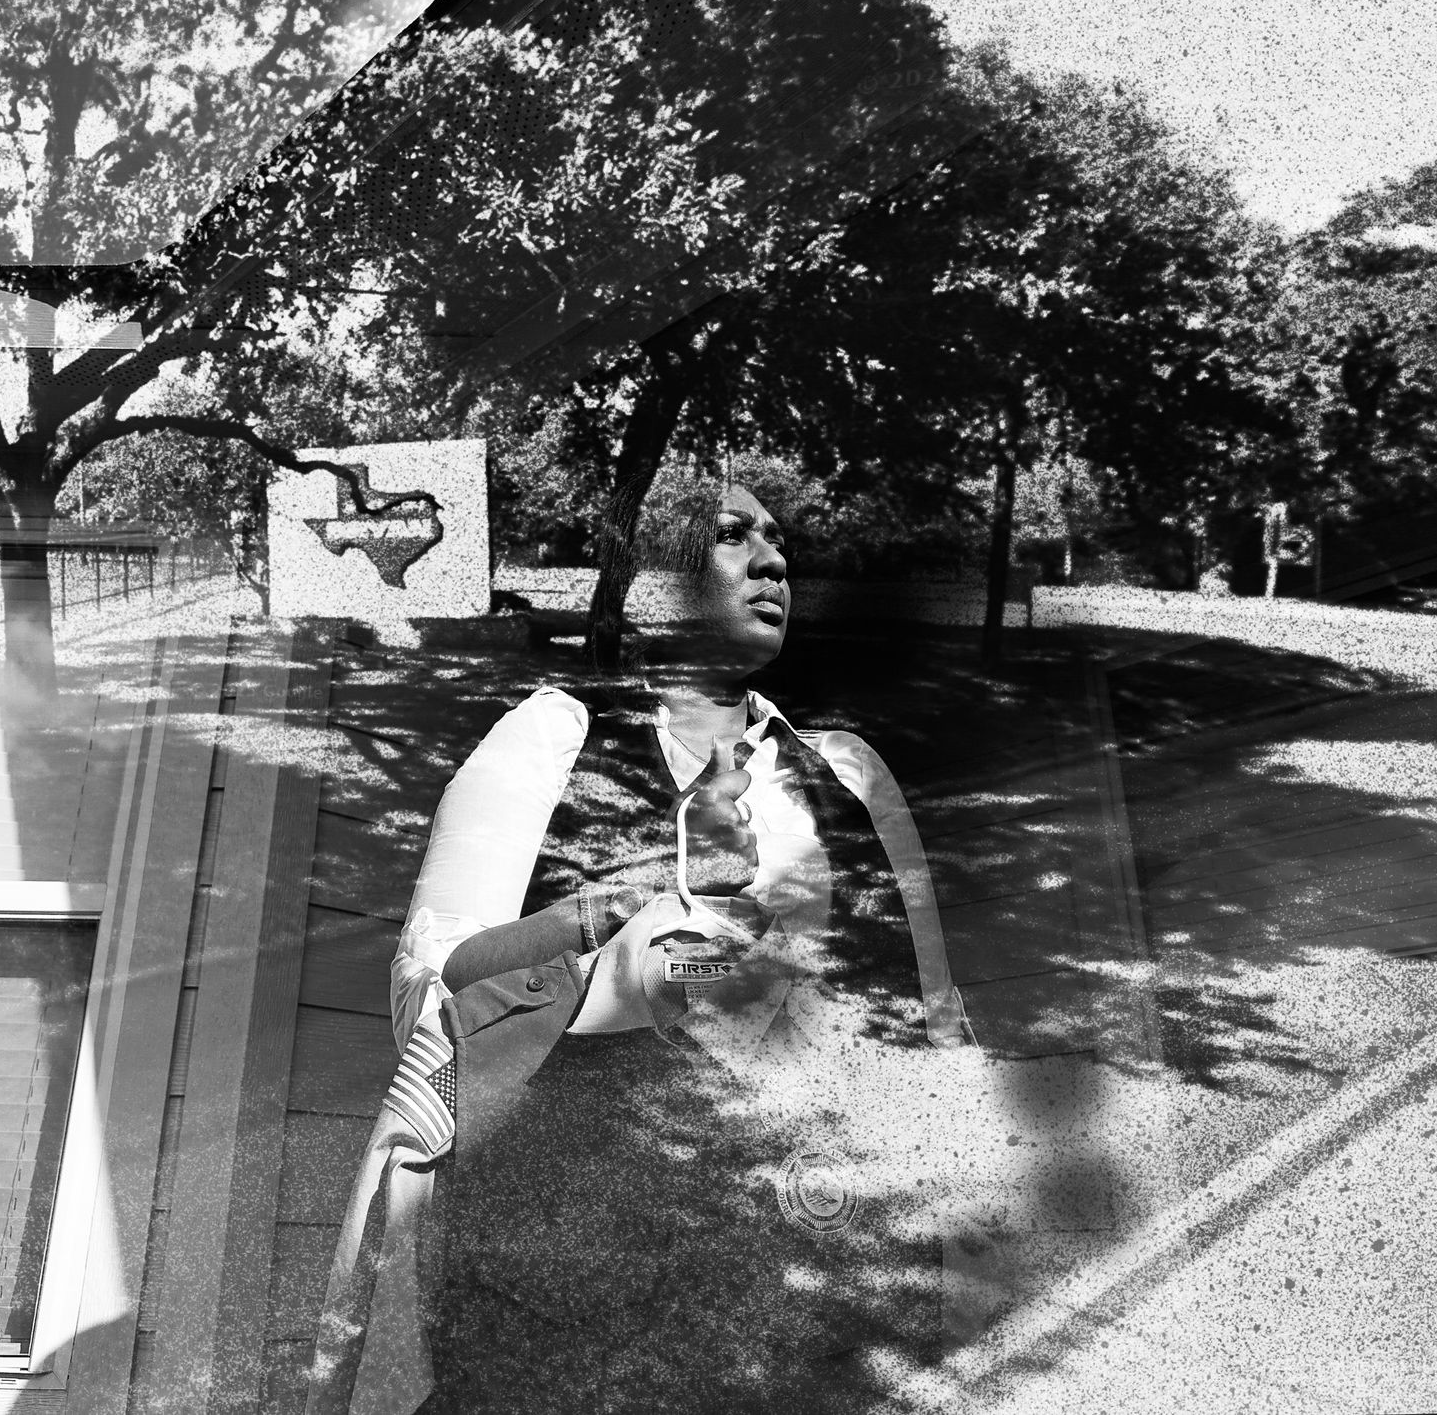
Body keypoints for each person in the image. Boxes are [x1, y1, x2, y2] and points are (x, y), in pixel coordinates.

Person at [313, 476, 977, 1415]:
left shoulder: (851, 774)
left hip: (821, 1279)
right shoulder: (554, 737)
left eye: (779, 542)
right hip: (568, 1289)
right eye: (731, 537)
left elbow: (936, 1026)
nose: (773, 559)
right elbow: (431, 1000)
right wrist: (613, 926)